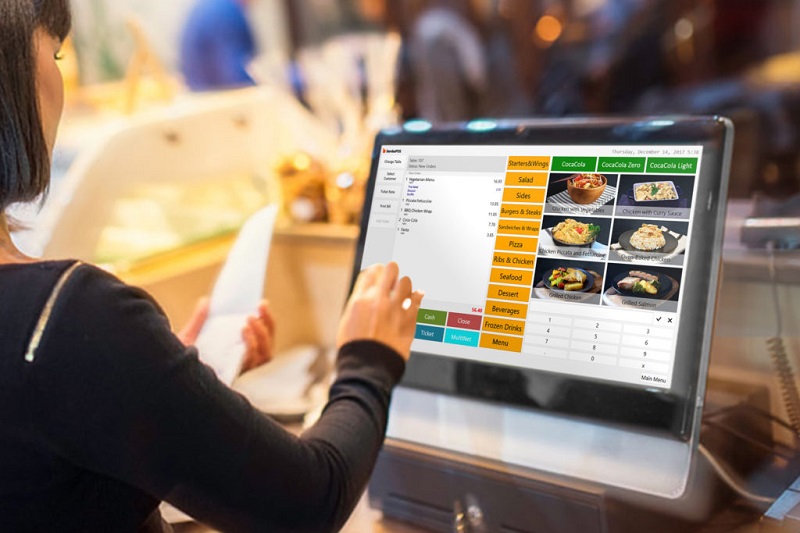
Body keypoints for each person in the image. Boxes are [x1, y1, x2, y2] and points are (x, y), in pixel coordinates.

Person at [0, 1, 424, 532]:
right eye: (56, 52)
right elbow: (311, 500)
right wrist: (369, 360)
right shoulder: (69, 318)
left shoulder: (77, 335)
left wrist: (159, 384)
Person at [179, 0, 257, 90]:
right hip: (219, 93)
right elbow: (233, 73)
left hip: (200, 91)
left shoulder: (212, 6)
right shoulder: (225, 11)